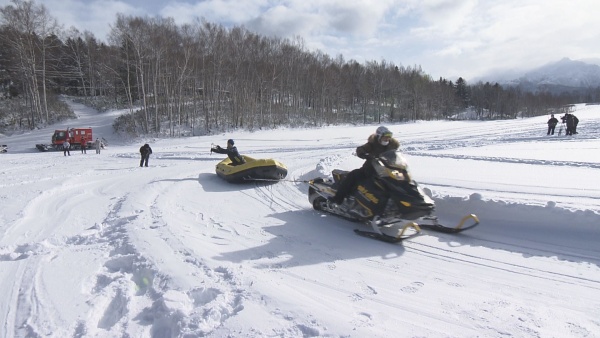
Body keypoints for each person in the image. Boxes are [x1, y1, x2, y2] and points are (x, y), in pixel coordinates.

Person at [329, 126, 400, 205]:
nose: (387, 139)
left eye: (388, 138)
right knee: (352, 175)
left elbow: (395, 157)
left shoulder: (392, 146)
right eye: (385, 138)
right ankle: (338, 198)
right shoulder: (372, 144)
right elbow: (360, 149)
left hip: (386, 170)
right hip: (370, 169)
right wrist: (365, 155)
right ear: (379, 136)